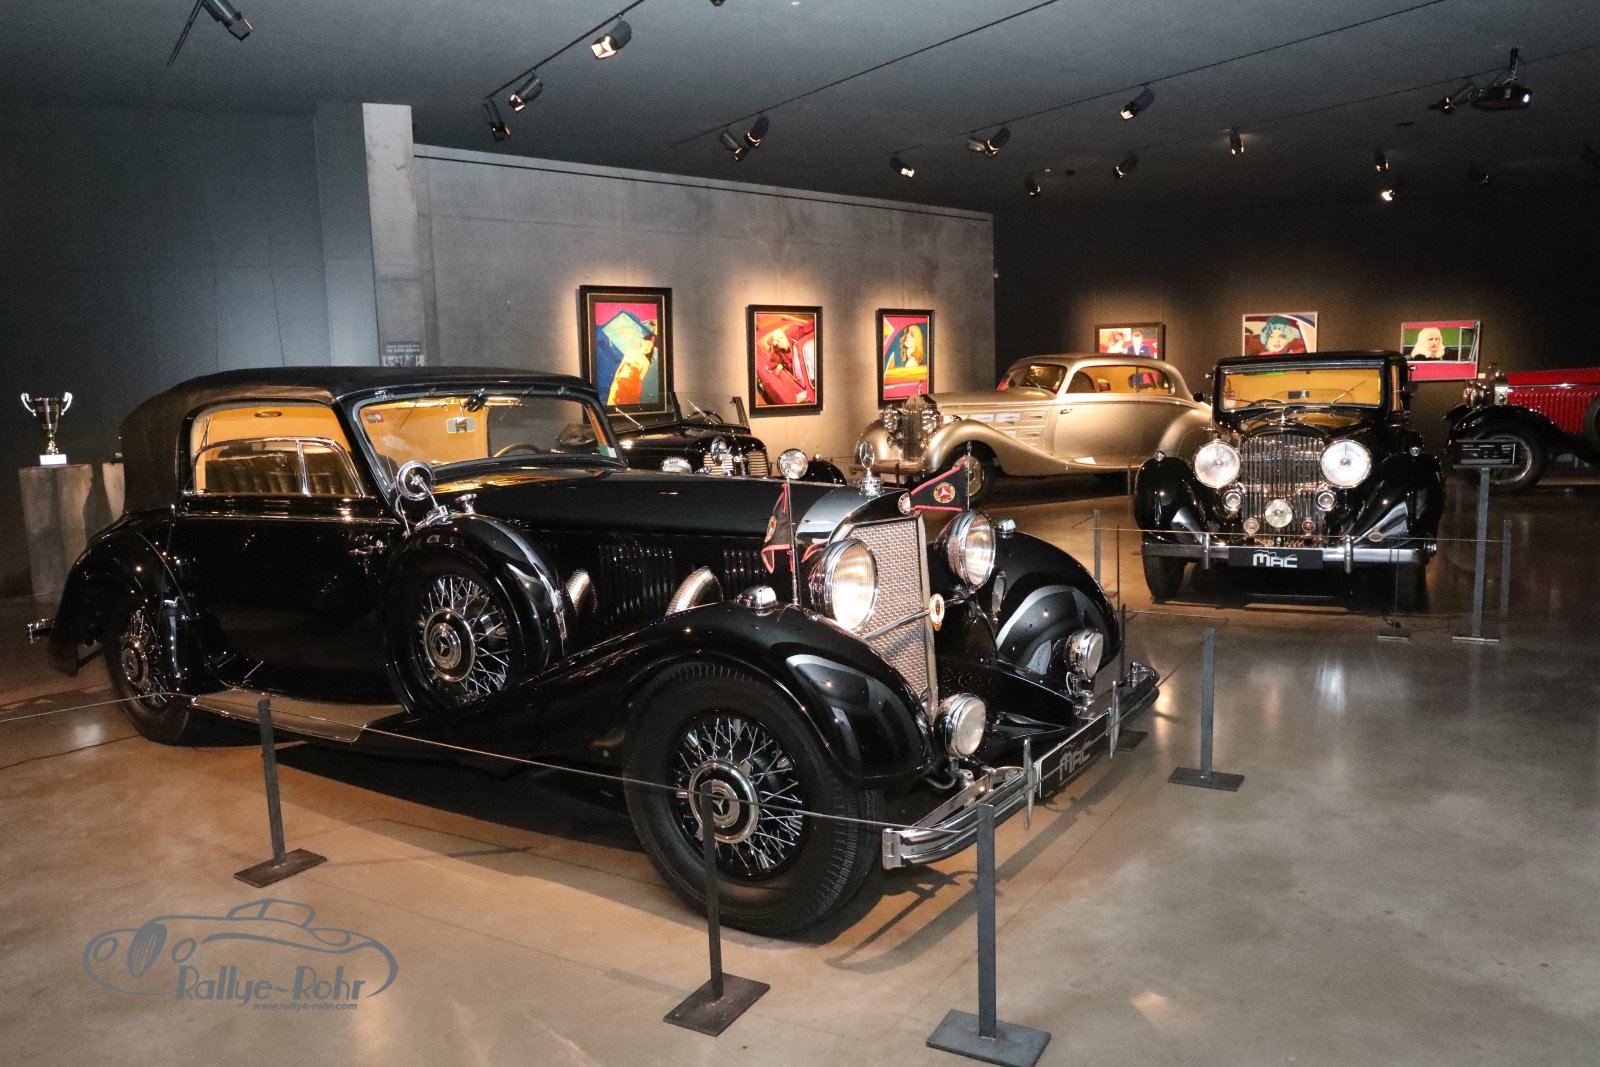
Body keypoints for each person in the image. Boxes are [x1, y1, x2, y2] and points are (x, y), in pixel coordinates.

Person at [606, 322, 657, 407]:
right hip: (619, 384)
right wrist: (614, 383)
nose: (648, 348)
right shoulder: (629, 352)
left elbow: (641, 378)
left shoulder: (646, 362)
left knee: (627, 408)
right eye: (648, 345)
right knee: (612, 405)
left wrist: (637, 393)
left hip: (631, 390)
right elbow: (620, 368)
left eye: (650, 348)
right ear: (642, 341)